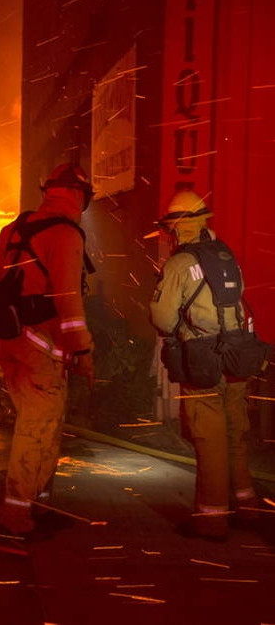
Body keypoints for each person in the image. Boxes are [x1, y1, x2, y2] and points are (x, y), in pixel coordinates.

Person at [0, 163, 95, 537]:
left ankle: (38, 504)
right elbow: (68, 301)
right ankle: (15, 516)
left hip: (10, 341)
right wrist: (84, 352)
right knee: (36, 428)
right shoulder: (65, 235)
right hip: (39, 347)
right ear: (78, 194)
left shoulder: (15, 228)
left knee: (43, 423)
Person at [149, 189, 259, 539]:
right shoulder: (226, 255)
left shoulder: (180, 263)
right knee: (234, 434)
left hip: (203, 362)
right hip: (237, 355)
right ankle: (248, 506)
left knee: (209, 437)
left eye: (170, 228)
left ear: (177, 227)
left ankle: (212, 519)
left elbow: (163, 320)